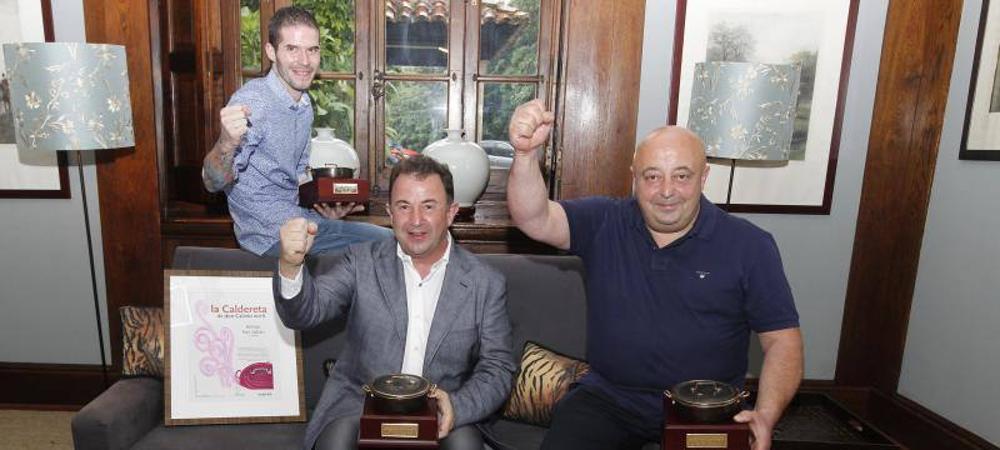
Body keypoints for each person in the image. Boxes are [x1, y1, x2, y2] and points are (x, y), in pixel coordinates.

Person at [506, 99, 804, 450]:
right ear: (635, 178)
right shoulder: (605, 220)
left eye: (681, 176)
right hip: (609, 399)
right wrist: (525, 154)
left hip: (704, 406)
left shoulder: (750, 245)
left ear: (703, 176)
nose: (666, 191)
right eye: (652, 177)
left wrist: (765, 416)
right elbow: (534, 219)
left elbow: (783, 342)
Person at [274, 155, 516, 450]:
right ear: (390, 213)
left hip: (444, 409)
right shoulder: (360, 262)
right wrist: (289, 265)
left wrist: (458, 406)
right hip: (359, 405)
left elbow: (498, 368)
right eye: (404, 206)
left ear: (451, 212)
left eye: (429, 206)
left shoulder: (485, 282)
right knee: (335, 443)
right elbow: (304, 313)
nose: (416, 220)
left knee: (465, 445)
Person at [201, 6, 391, 256]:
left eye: (312, 50)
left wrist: (324, 208)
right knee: (392, 245)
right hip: (270, 237)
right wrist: (226, 143)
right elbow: (211, 182)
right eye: (292, 49)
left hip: (302, 222)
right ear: (271, 52)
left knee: (388, 247)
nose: (304, 61)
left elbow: (297, 178)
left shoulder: (303, 104)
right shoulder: (254, 103)